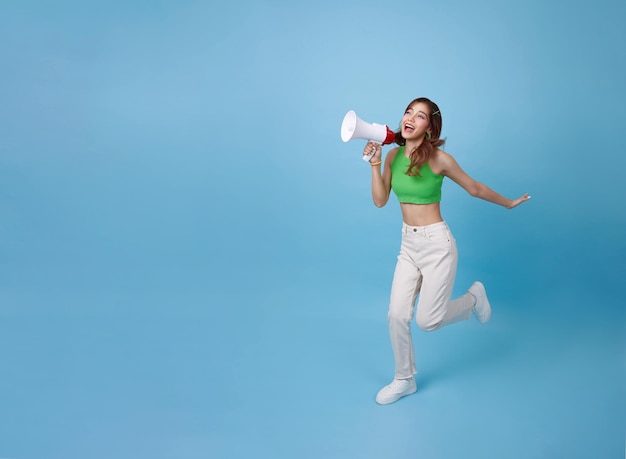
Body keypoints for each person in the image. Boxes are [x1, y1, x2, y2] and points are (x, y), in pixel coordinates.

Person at [364, 97, 530, 405]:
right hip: (408, 244)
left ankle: (473, 299)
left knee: (428, 321)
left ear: (430, 127)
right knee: (396, 315)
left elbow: (474, 187)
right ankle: (404, 379)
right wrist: (375, 163)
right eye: (408, 111)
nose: (411, 118)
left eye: (421, 116)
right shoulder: (392, 157)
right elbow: (379, 200)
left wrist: (508, 202)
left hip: (437, 246)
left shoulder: (439, 159)